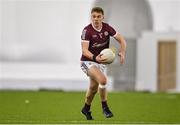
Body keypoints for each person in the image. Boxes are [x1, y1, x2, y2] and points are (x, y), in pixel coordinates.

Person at [80, 7, 126, 120]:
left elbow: (122, 40)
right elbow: (84, 51)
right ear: (91, 17)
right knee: (103, 80)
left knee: (93, 88)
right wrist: (95, 57)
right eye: (93, 16)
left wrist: (123, 52)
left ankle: (86, 108)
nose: (96, 19)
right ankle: (105, 108)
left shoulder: (107, 28)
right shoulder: (87, 31)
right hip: (87, 61)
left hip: (100, 62)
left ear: (102, 17)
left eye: (98, 16)